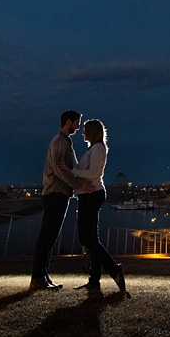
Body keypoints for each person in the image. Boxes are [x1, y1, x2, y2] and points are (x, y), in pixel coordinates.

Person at [30, 110, 93, 291]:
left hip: (60, 194)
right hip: (56, 194)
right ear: (68, 122)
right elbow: (59, 170)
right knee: (47, 236)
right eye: (76, 123)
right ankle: (38, 278)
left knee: (50, 236)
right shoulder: (59, 142)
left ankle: (43, 276)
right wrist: (78, 183)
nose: (78, 127)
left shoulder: (65, 142)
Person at [59, 119, 126, 293]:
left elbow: (93, 173)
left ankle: (113, 268)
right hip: (89, 195)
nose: (82, 132)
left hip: (91, 195)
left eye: (85, 130)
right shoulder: (95, 148)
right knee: (91, 239)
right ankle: (94, 280)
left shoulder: (97, 148)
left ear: (92, 131)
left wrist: (70, 170)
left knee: (86, 239)